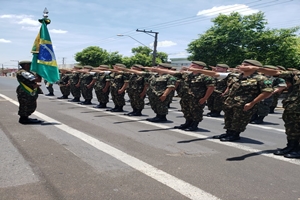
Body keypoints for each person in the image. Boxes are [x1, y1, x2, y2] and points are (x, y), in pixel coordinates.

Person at [191, 59, 273, 141]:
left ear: (254, 67)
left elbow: (267, 91)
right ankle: (228, 132)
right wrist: (199, 70)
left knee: (239, 120)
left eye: (245, 65)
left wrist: (252, 103)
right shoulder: (235, 76)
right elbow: (215, 74)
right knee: (229, 118)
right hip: (230, 102)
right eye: (242, 64)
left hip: (244, 104)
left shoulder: (261, 78)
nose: (241, 66)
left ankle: (235, 135)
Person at [258, 66, 300, 158]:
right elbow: (277, 73)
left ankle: (297, 150)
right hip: (292, 107)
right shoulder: (296, 75)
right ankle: (291, 147)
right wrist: (255, 68)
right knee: (291, 129)